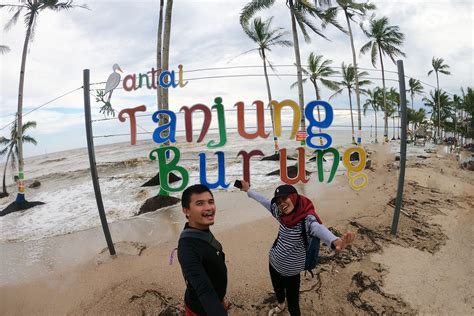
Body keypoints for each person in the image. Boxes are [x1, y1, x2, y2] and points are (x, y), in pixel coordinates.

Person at [239, 180, 356, 316]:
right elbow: (264, 201)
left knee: (293, 304)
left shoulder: (306, 220)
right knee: (278, 289)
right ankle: (281, 304)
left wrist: (335, 241)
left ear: (294, 197)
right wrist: (248, 190)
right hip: (273, 262)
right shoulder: (281, 214)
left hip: (291, 271)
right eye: (278, 202)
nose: (281, 204)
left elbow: (318, 228)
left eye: (284, 199)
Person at [177, 184, 228, 316]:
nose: (208, 207)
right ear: (186, 211)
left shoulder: (201, 230)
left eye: (211, 202)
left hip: (216, 300)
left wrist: (221, 299)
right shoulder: (187, 249)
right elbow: (204, 291)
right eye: (200, 203)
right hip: (201, 310)